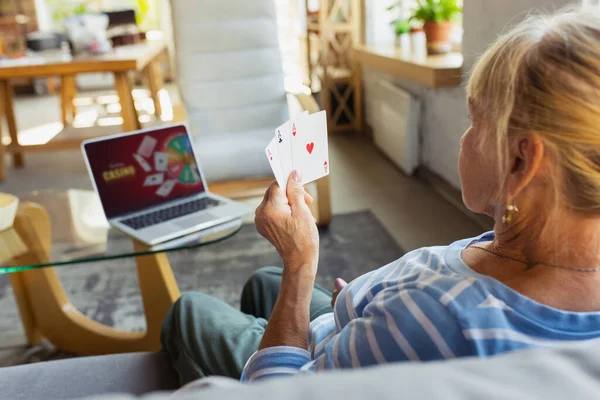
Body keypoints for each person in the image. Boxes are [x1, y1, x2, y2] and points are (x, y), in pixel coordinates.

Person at [161, 7, 600, 385]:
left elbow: (280, 390)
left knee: (189, 310)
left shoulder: (433, 317)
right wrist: (368, 300)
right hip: (360, 319)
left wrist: (300, 262)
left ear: (522, 163)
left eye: (475, 121)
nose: (464, 139)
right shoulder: (547, 260)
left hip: (310, 365)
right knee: (262, 281)